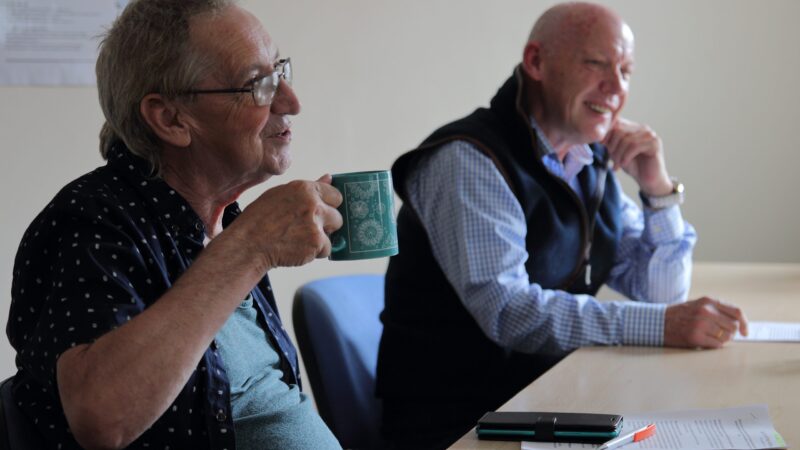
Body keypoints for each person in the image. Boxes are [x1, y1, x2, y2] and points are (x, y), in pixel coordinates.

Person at [376, 2, 749, 448]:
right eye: (596, 63)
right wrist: (662, 324)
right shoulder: (468, 160)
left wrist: (658, 189)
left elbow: (662, 293)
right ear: (536, 62)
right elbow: (508, 311)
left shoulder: (587, 161)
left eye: (626, 71)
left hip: (547, 404)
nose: (615, 87)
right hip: (461, 425)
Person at [6, 1, 345, 449]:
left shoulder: (223, 222)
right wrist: (252, 246)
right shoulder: (90, 221)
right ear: (170, 119)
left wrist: (245, 241)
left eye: (280, 71)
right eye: (257, 84)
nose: (290, 101)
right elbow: (101, 415)